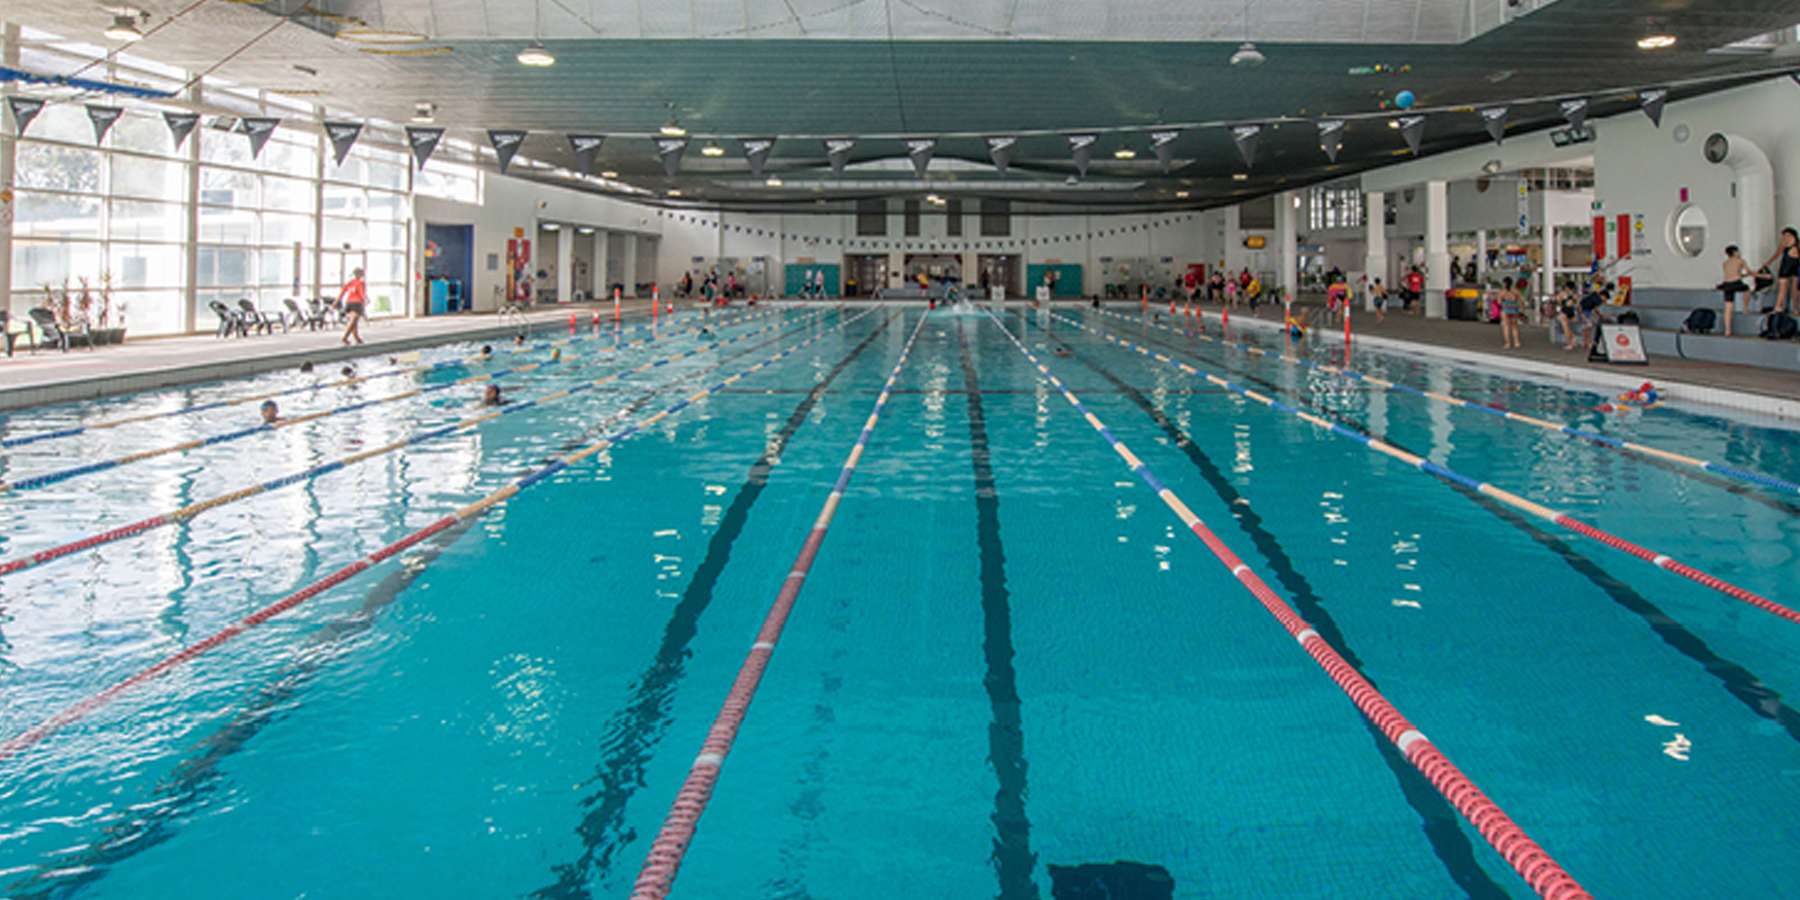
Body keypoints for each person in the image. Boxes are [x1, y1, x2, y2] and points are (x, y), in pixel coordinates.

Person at [1717, 245, 1757, 337]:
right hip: (1736, 283)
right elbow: (1748, 272)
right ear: (1735, 252)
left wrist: (1744, 275)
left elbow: (1732, 274)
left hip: (1726, 284)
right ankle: (1745, 308)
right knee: (1747, 289)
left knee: (1728, 307)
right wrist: (1761, 275)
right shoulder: (1740, 261)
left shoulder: (1725, 263)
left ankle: (1727, 330)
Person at [1761, 227, 1799, 314]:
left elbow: (1777, 254)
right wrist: (1768, 263)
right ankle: (1778, 307)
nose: (1785, 237)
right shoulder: (1785, 243)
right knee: (1783, 289)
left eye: (1787, 235)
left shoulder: (1796, 243)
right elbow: (1777, 254)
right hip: (1786, 266)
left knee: (1794, 290)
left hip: (1794, 266)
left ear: (1792, 235)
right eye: (1784, 235)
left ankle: (1794, 308)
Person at [338, 266, 368, 345]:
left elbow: (342, 292)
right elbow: (362, 293)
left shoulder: (350, 282)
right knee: (353, 321)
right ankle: (345, 337)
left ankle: (357, 338)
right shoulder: (361, 283)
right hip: (357, 303)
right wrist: (365, 300)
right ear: (360, 274)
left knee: (354, 321)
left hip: (349, 303)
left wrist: (336, 301)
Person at [1498, 277, 1523, 350]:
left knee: (1506, 327)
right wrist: (1521, 309)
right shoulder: (1516, 291)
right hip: (1514, 309)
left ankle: (1507, 343)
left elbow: (1499, 302)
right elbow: (1521, 300)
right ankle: (1517, 342)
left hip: (1505, 309)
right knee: (1514, 327)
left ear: (1505, 283)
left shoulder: (1502, 292)